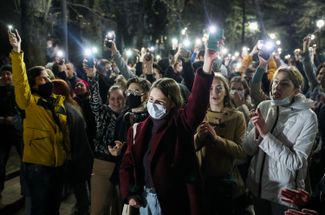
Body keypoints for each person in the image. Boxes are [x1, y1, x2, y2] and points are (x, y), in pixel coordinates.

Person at [119, 45, 216, 215]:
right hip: (145, 200)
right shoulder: (137, 129)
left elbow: (196, 105)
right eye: (151, 99)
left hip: (173, 202)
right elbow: (128, 164)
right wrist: (129, 194)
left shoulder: (180, 123)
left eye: (160, 102)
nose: (153, 105)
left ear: (172, 103)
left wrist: (207, 64)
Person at [243, 66, 318, 215]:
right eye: (275, 81)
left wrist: (266, 135)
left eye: (285, 84)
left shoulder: (308, 117)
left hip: (285, 195)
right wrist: (256, 133)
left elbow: (296, 163)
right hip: (257, 188)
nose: (277, 86)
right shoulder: (263, 106)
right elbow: (247, 149)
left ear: (296, 90)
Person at [9, 30, 70, 215]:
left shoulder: (57, 102)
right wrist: (17, 51)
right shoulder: (29, 102)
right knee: (39, 210)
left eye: (48, 78)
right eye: (43, 78)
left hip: (58, 165)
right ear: (34, 84)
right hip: (38, 166)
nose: (48, 81)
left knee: (53, 209)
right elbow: (20, 82)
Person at [194, 73, 250, 214]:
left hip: (227, 181)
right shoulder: (198, 114)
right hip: (203, 181)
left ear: (226, 91)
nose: (215, 92)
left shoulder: (237, 116)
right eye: (210, 88)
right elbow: (189, 148)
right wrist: (198, 137)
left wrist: (217, 139)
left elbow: (241, 151)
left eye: (219, 88)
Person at [85, 64, 126, 215]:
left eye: (120, 98)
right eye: (113, 98)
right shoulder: (102, 111)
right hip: (102, 164)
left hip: (122, 166)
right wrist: (92, 77)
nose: (116, 101)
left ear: (125, 99)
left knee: (120, 209)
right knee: (99, 208)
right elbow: (94, 100)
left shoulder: (129, 116)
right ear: (108, 98)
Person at [52, 79, 93, 215]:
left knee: (80, 191)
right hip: (82, 154)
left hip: (76, 157)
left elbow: (67, 137)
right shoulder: (73, 105)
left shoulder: (64, 110)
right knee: (81, 189)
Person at [0, 64, 23, 197]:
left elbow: (22, 110)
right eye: (4, 74)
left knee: (25, 160)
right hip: (2, 133)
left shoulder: (17, 90)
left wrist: (14, 120)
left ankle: (26, 189)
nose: (6, 76)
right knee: (1, 161)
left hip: (16, 132)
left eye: (9, 73)